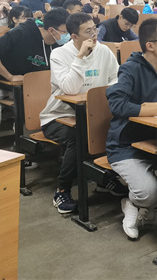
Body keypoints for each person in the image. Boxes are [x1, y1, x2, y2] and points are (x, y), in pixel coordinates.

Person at [106, 19, 157, 240]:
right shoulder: (130, 68)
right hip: (126, 144)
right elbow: (117, 105)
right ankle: (134, 203)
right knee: (148, 191)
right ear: (150, 45)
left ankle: (144, 207)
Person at [40, 12, 120, 214]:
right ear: (74, 36)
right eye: (88, 31)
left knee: (117, 127)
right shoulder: (59, 55)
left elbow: (116, 78)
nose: (94, 35)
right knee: (79, 136)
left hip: (93, 114)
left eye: (95, 29)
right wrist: (81, 57)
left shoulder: (104, 51)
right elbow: (70, 89)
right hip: (57, 117)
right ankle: (62, 190)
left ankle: (103, 178)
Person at [0, 8, 69, 146]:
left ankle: (21, 147)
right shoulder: (22, 32)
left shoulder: (60, 45)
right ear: (51, 30)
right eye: (65, 32)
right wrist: (9, 76)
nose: (68, 36)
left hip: (26, 87)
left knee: (35, 115)